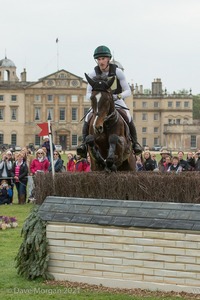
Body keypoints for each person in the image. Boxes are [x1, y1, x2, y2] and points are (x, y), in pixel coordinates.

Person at [77, 45, 142, 157]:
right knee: (88, 117)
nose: (101, 62)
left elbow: (128, 91)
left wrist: (118, 96)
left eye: (103, 59)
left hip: (116, 100)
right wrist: (94, 99)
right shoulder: (93, 74)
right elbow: (87, 93)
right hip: (100, 103)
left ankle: (135, 143)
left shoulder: (117, 72)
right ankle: (83, 144)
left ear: (108, 59)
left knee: (128, 116)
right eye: (99, 59)